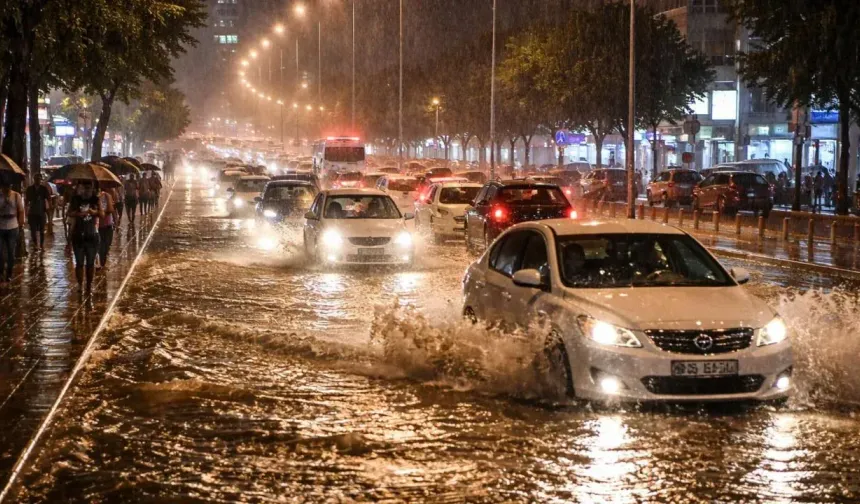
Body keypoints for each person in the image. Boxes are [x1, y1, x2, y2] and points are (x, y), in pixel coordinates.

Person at [67, 181, 103, 294]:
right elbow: (69, 213)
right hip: (78, 235)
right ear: (81, 188)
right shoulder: (75, 199)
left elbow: (102, 214)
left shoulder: (95, 200)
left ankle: (88, 286)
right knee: (79, 262)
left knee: (90, 263)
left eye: (89, 188)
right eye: (85, 188)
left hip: (92, 235)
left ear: (92, 188)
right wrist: (78, 214)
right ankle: (80, 285)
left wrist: (93, 212)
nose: (87, 190)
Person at [0, 178, 25, 285]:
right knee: (0, 252)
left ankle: (9, 274)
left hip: (13, 225)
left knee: (11, 251)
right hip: (1, 224)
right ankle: (1, 273)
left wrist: (21, 224)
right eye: (5, 187)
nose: (7, 189)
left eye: (8, 187)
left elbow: (21, 210)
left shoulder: (16, 195)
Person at [24, 173, 52, 252]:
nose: (38, 180)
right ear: (34, 179)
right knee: (33, 230)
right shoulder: (30, 189)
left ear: (41, 180)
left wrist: (49, 210)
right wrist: (26, 211)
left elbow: (49, 199)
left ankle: (42, 245)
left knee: (42, 230)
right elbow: (26, 201)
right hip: (32, 212)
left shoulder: (44, 189)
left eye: (39, 179)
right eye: (36, 179)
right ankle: (36, 244)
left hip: (41, 212)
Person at [96, 185, 116, 269]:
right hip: (98, 225)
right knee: (101, 245)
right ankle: (100, 263)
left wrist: (102, 211)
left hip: (108, 224)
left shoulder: (107, 196)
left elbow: (111, 210)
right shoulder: (93, 197)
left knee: (107, 244)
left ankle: (102, 262)